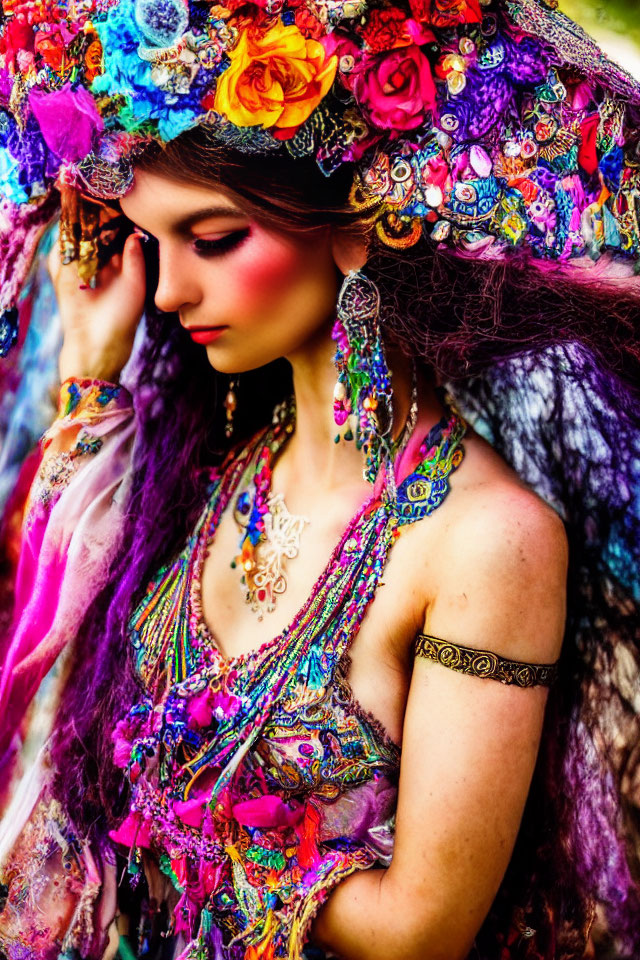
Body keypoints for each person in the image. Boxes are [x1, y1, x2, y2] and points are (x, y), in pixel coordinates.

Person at [0, 1, 638, 958]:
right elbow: (56, 661)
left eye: (212, 239)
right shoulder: (219, 465)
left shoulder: (487, 541)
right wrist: (93, 371)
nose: (169, 291)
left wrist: (173, 827)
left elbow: (420, 927)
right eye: (151, 241)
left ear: (355, 227)